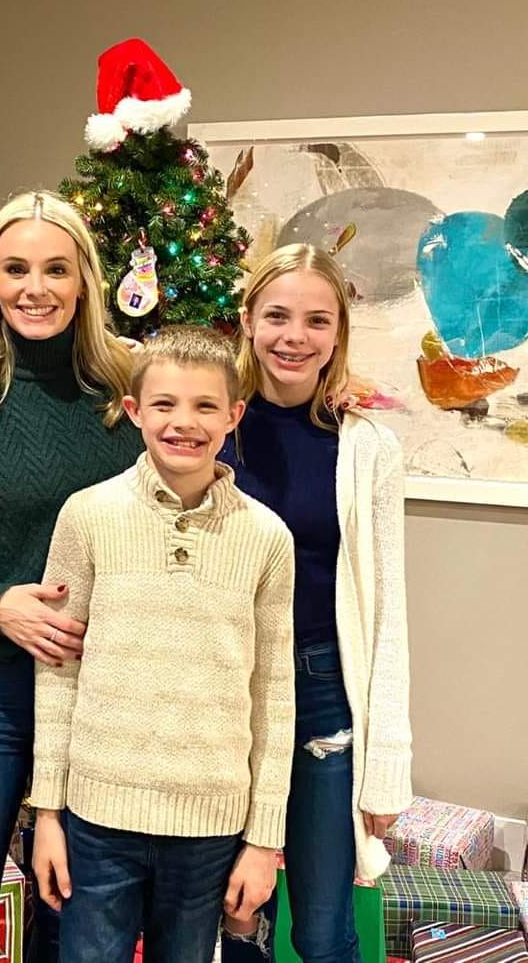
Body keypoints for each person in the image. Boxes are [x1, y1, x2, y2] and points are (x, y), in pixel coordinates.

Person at [0, 189, 144, 962]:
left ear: (85, 281)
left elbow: (221, 420)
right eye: (15, 269)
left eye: (55, 269)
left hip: (100, 700)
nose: (34, 288)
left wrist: (339, 395)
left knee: (81, 937)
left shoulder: (127, 399)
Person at [31, 326, 297, 963]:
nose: (185, 422)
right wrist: (47, 812)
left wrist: (264, 839)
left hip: (210, 828)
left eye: (206, 406)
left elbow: (274, 695)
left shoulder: (267, 538)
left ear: (234, 415)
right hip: (98, 819)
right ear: (134, 412)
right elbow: (58, 668)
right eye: (165, 404)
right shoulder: (87, 515)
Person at [218, 243, 413, 962]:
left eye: (315, 320)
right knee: (232, 914)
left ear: (337, 334)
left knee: (324, 930)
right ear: (247, 320)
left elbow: (387, 609)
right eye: (276, 315)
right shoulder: (212, 425)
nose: (293, 337)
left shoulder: (368, 447)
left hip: (322, 692)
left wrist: (388, 761)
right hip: (223, 688)